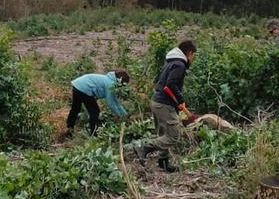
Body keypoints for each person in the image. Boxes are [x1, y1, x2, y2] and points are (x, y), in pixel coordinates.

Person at [133, 40, 197, 173]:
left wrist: (177, 102)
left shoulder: (171, 62)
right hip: (164, 104)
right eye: (193, 56)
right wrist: (180, 99)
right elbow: (171, 85)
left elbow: (166, 84)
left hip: (157, 102)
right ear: (189, 53)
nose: (193, 59)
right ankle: (144, 147)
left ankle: (163, 162)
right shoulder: (180, 65)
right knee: (173, 135)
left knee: (163, 133)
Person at [67, 70, 130, 136]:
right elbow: (111, 103)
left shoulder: (108, 79)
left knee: (75, 108)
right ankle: (93, 133)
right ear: (119, 81)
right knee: (95, 112)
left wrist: (124, 114)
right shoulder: (111, 84)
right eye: (122, 85)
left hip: (77, 85)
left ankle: (70, 128)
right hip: (85, 88)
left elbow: (115, 100)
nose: (121, 87)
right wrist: (121, 116)